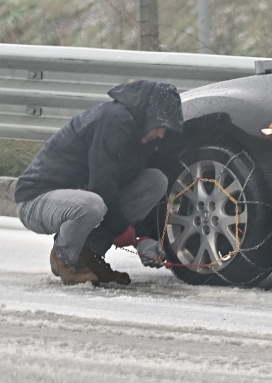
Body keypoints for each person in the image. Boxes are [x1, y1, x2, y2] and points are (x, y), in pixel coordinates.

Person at [15, 80, 183, 285]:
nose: (161, 134)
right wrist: (126, 234)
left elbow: (120, 188)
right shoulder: (115, 121)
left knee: (155, 181)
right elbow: (103, 185)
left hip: (79, 196)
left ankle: (88, 254)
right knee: (92, 205)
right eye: (161, 126)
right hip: (37, 200)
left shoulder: (141, 135)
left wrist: (144, 237)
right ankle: (64, 258)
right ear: (150, 116)